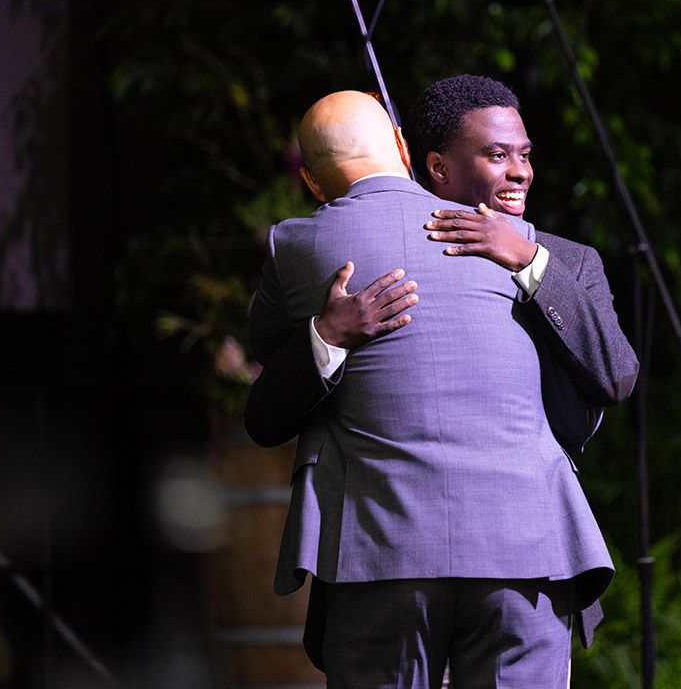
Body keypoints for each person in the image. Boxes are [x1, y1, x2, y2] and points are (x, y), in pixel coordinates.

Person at [248, 89, 633, 689]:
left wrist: (530, 261)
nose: (520, 171)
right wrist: (327, 335)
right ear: (419, 159)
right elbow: (268, 398)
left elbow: (615, 374)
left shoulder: (555, 257)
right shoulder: (324, 243)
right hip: (443, 555)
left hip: (468, 550)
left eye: (524, 154)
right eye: (497, 154)